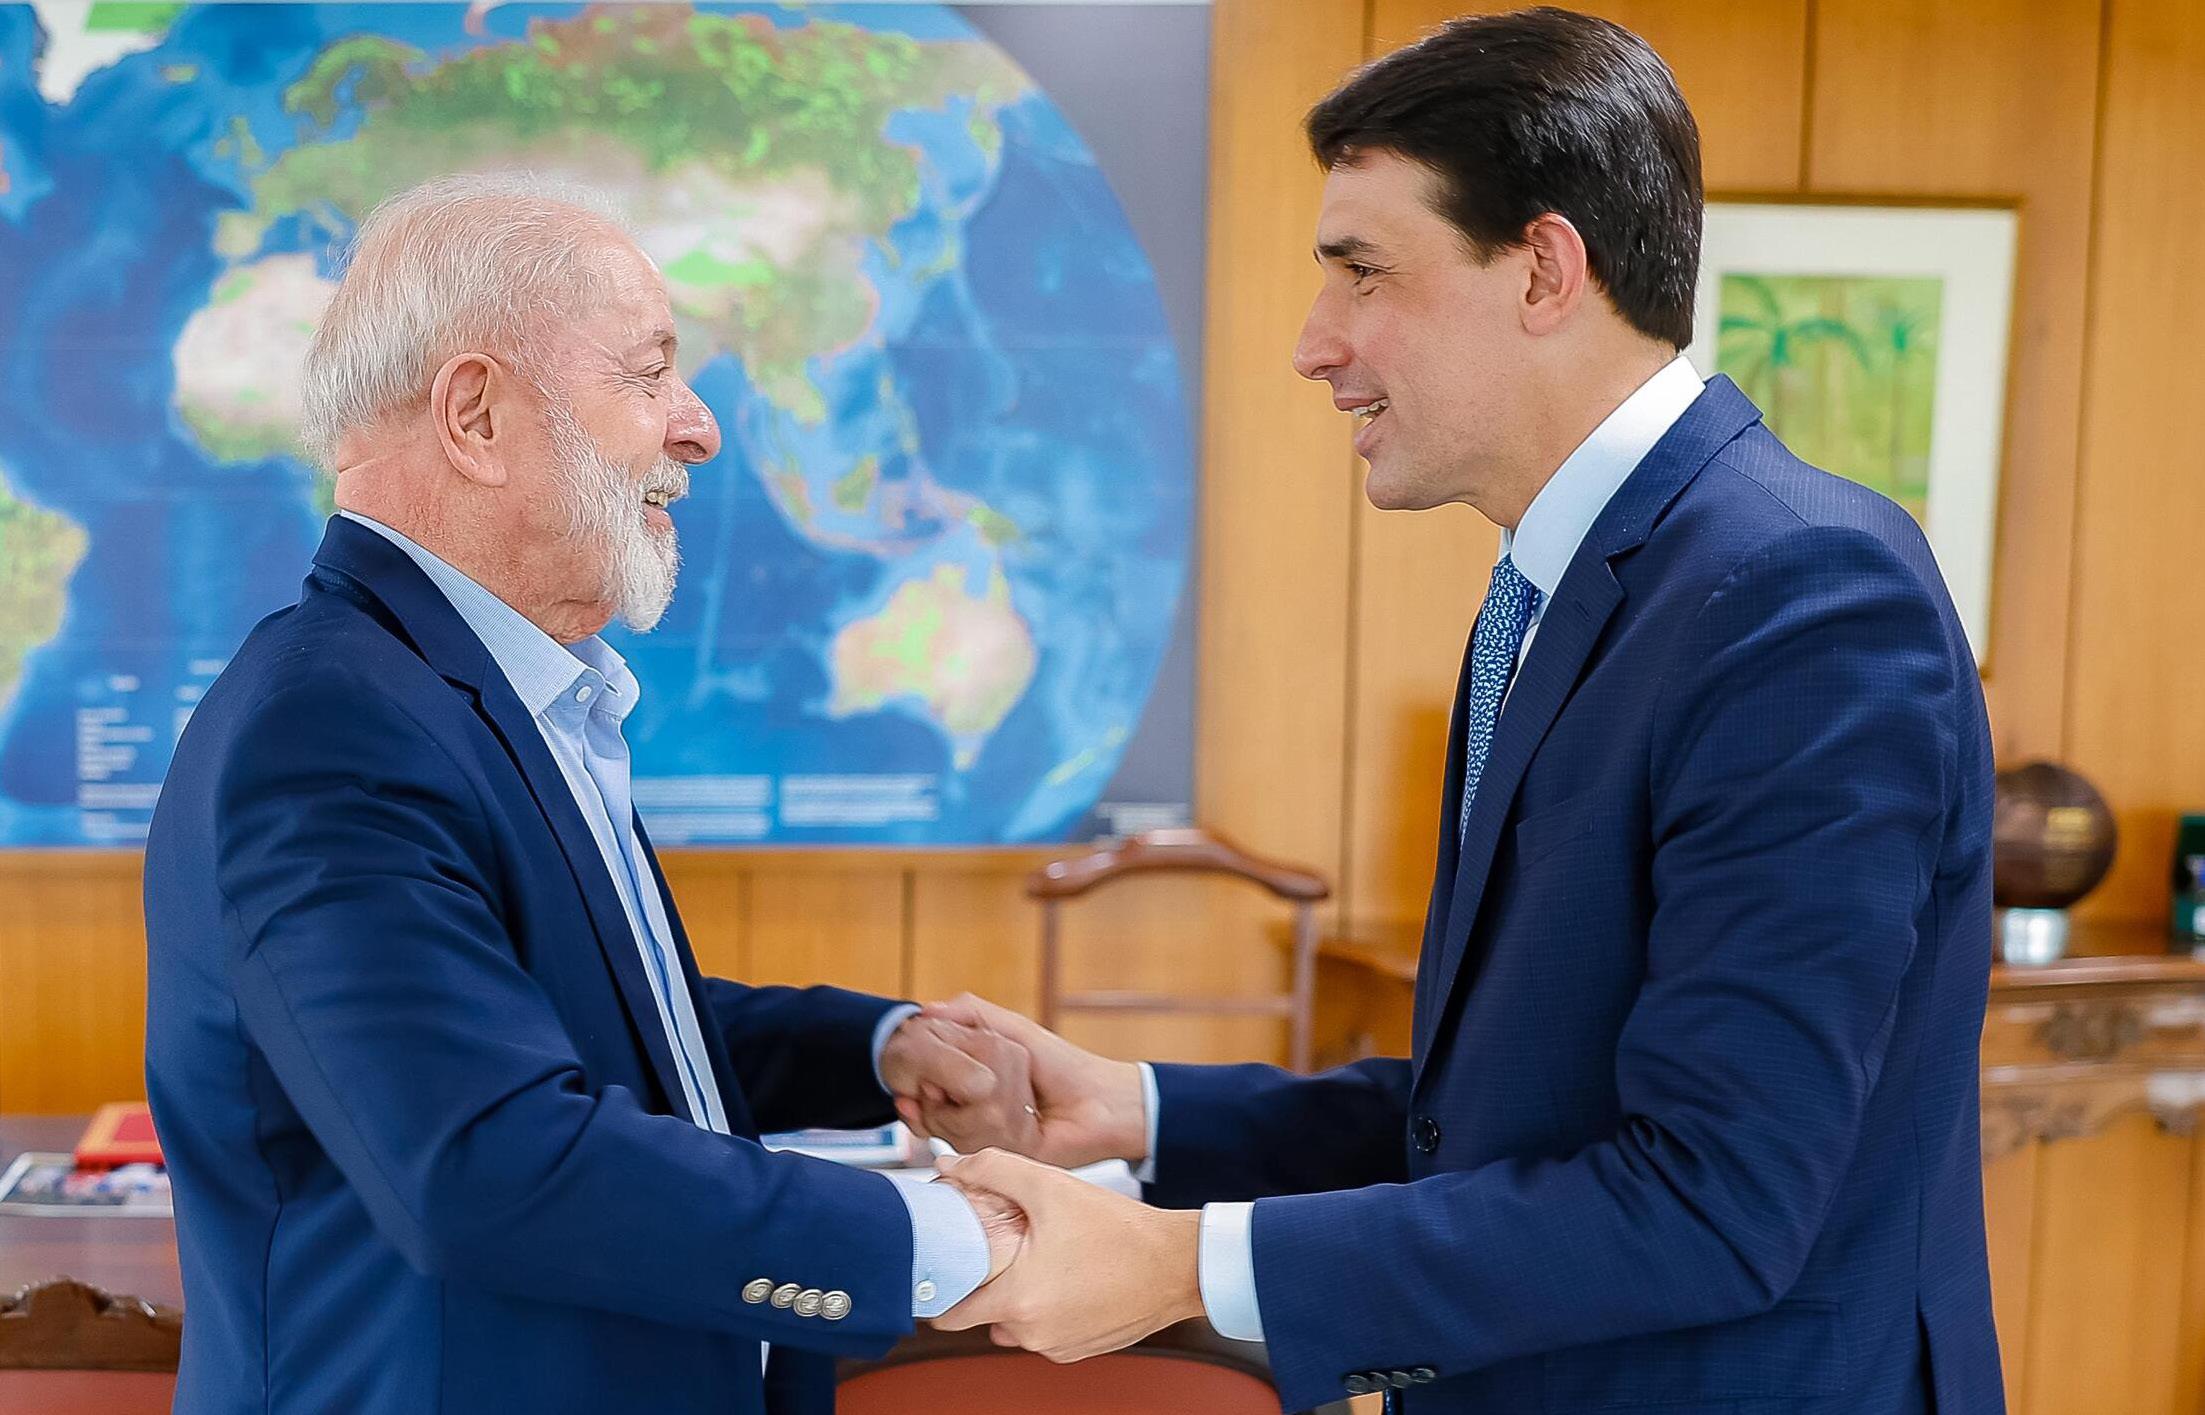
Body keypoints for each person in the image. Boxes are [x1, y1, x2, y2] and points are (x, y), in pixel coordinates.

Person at [906, 9, 2004, 1413]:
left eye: (1362, 271)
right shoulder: (1550, 593)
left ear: (1544, 269)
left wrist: (1186, 1263)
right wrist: (1140, 1109)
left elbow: (1713, 1198)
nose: (1314, 345)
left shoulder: (1802, 592)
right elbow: (1497, 1112)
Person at [143, 173, 1034, 1415]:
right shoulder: (332, 727)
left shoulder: (457, 690)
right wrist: (950, 1237)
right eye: (652, 373)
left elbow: (567, 1022)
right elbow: (487, 1158)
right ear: (476, 415)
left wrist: (873, 1046)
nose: (699, 426)